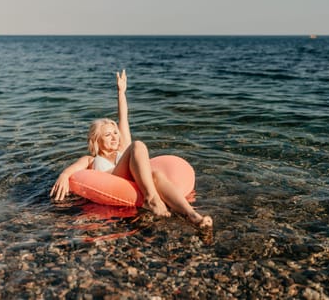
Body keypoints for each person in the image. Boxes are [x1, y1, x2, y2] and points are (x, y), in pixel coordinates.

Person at [50, 70, 212, 229]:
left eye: (115, 133)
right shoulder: (90, 159)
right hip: (113, 179)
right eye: (108, 134)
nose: (114, 137)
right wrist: (64, 175)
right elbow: (73, 170)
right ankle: (150, 198)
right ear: (96, 140)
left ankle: (192, 215)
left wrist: (121, 92)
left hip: (130, 180)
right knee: (138, 145)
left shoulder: (122, 149)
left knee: (155, 174)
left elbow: (123, 118)